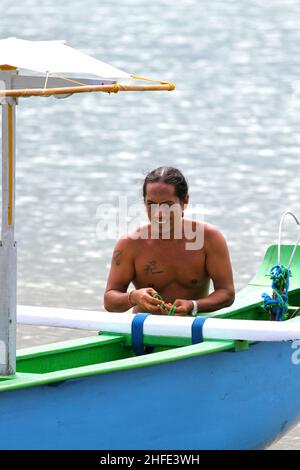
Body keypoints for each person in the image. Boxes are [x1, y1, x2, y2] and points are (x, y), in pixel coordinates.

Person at [104, 166, 235, 316]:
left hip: (192, 328)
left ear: (185, 201)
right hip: (144, 330)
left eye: (167, 205)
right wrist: (133, 297)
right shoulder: (129, 243)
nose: (159, 214)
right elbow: (109, 301)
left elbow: (227, 293)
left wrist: (193, 305)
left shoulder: (209, 238)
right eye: (151, 204)